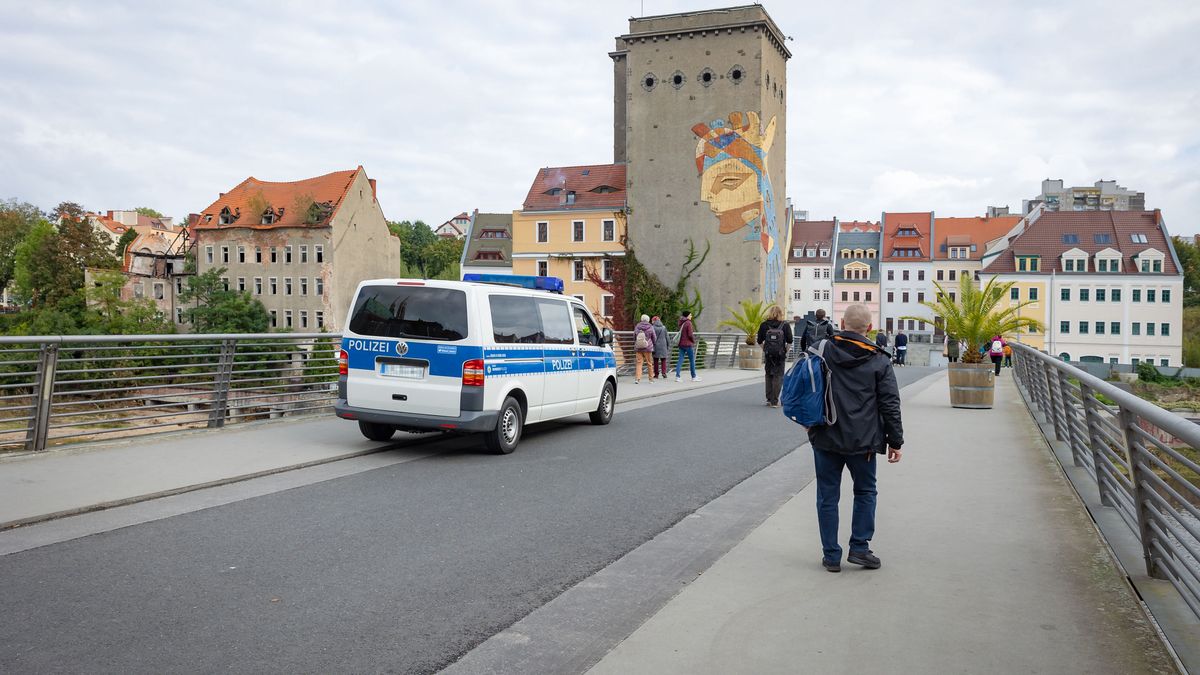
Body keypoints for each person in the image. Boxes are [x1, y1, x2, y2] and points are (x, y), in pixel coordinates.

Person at [807, 303, 904, 573]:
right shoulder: (879, 359)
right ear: (870, 329)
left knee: (827, 495)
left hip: (825, 434)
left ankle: (830, 555)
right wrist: (896, 441)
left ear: (842, 322)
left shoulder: (821, 350)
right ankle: (860, 548)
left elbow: (806, 387)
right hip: (864, 440)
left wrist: (808, 423)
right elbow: (890, 403)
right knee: (865, 491)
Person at [756, 304, 793, 408]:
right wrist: (785, 350)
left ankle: (768, 399)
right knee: (778, 376)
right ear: (781, 314)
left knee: (768, 375)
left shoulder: (764, 325)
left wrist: (765, 349)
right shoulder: (785, 325)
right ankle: (775, 401)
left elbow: (759, 340)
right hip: (780, 355)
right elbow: (790, 340)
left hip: (768, 355)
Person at [675, 310, 700, 382]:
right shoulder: (688, 323)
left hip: (681, 344)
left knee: (680, 359)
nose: (691, 316)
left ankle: (677, 376)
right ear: (687, 316)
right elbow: (690, 334)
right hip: (688, 344)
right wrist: (693, 340)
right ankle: (694, 376)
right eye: (690, 315)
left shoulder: (681, 322)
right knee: (692, 360)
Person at [633, 314, 656, 383]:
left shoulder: (637, 326)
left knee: (639, 363)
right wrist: (653, 343)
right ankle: (651, 379)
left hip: (639, 347)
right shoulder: (650, 327)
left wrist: (636, 342)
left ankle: (637, 379)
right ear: (648, 320)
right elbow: (654, 337)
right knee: (649, 363)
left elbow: (634, 336)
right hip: (648, 347)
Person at [651, 316, 670, 380]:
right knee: (663, 360)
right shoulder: (663, 327)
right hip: (663, 345)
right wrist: (668, 345)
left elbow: (651, 337)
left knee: (656, 360)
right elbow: (667, 337)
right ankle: (664, 373)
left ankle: (656, 374)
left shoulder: (652, 327)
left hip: (655, 345)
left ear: (654, 321)